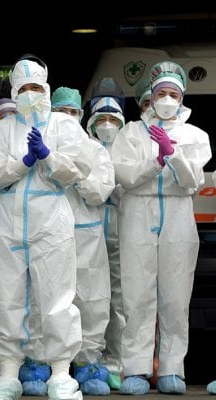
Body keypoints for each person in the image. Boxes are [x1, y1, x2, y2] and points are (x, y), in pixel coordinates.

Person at [0, 55, 91, 400]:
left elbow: (79, 169)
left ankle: (60, 373)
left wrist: (47, 156)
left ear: (46, 88)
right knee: (5, 297)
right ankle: (8, 373)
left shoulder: (64, 126)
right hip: (7, 218)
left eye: (36, 87)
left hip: (51, 217)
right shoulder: (0, 129)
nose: (30, 94)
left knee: (57, 296)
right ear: (14, 92)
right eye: (24, 88)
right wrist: (23, 162)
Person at [112, 60, 211, 396]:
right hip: (137, 213)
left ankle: (172, 369)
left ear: (182, 99)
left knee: (175, 296)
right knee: (137, 295)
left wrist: (174, 154)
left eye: (174, 94)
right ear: (150, 97)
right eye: (161, 93)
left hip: (178, 213)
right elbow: (125, 176)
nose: (167, 99)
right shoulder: (130, 133)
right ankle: (136, 369)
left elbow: (192, 181)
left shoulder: (195, 136)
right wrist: (156, 161)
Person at [51, 86, 116, 396]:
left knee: (92, 299)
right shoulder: (44, 147)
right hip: (50, 231)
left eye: (72, 112)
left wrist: (76, 176)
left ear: (80, 115)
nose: (67, 117)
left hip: (87, 233)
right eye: (61, 112)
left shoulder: (95, 150)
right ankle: (48, 363)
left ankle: (88, 362)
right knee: (50, 299)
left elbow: (100, 191)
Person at [84, 77, 127, 391]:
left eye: (113, 118)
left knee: (121, 299)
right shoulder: (84, 148)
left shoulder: (130, 147)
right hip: (90, 225)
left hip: (123, 227)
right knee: (89, 296)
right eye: (101, 118)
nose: (107, 125)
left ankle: (118, 363)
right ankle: (89, 360)